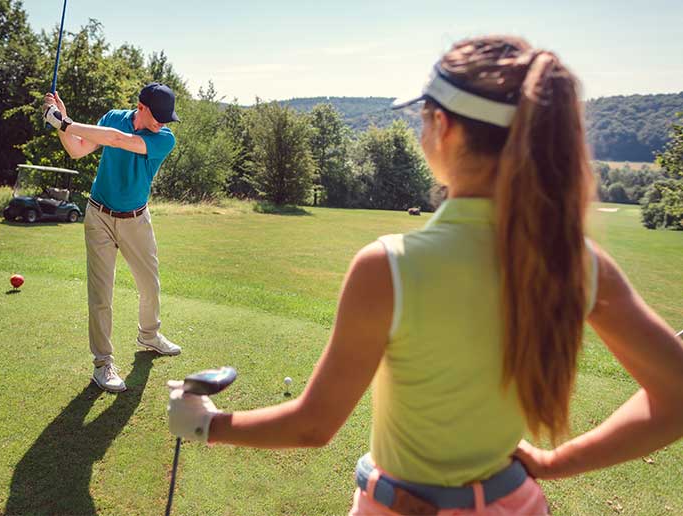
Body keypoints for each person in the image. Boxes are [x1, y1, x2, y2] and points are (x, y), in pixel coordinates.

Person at [166, 36, 683, 515]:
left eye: (424, 116)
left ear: (446, 127)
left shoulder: (387, 265)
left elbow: (313, 426)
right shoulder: (578, 261)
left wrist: (205, 423)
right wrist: (554, 464)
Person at [44, 82, 182, 393]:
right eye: (157, 115)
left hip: (136, 219)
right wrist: (61, 120)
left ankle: (149, 334)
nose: (162, 122)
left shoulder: (164, 139)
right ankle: (102, 363)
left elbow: (118, 141)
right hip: (99, 217)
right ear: (141, 106)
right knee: (100, 293)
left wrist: (64, 122)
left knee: (150, 283)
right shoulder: (112, 117)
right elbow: (77, 149)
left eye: (166, 117)